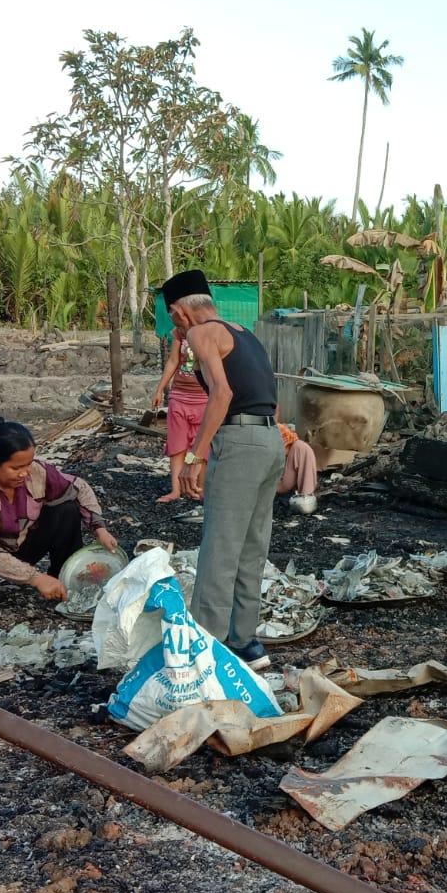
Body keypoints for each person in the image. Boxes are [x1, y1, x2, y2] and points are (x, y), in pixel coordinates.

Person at [169, 269, 283, 671]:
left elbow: (223, 393)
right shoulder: (245, 333)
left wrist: (195, 457)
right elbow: (269, 393)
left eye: (173, 320)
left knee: (220, 546)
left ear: (179, 312)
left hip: (239, 442)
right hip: (271, 441)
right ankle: (246, 642)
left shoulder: (201, 334)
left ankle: (205, 645)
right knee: (253, 546)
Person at [0, 416, 118, 614]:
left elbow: (79, 487)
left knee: (66, 509)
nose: (24, 473)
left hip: (14, 547)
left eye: (27, 464)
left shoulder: (37, 472)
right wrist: (35, 578)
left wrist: (99, 528)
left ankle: (62, 579)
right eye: (16, 468)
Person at [153, 273, 212, 504]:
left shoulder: (212, 331)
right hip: (179, 396)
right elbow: (173, 361)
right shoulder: (179, 333)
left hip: (203, 399)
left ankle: (199, 488)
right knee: (177, 445)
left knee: (203, 447)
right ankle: (176, 490)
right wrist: (160, 389)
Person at [277, 422, 319, 513]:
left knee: (304, 503)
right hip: (305, 497)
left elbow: (286, 484)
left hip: (304, 502)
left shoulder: (296, 449)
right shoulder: (297, 445)